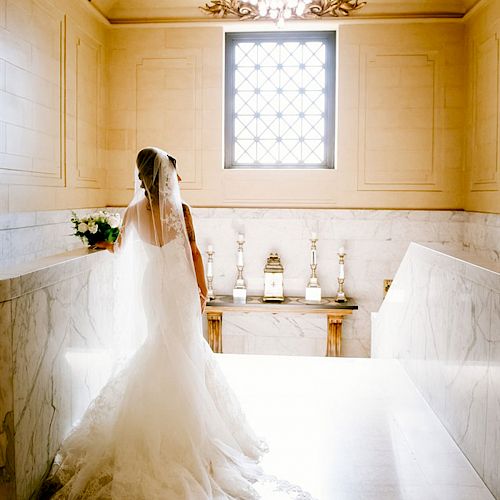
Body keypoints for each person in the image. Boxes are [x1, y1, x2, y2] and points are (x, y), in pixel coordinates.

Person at [40, 147, 311, 499]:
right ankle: (188, 429)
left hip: (153, 286)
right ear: (164, 176)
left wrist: (98, 239)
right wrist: (203, 288)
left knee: (158, 343)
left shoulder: (133, 211)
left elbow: (118, 247)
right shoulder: (180, 210)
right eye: (173, 172)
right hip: (180, 286)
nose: (177, 179)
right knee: (182, 346)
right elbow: (194, 251)